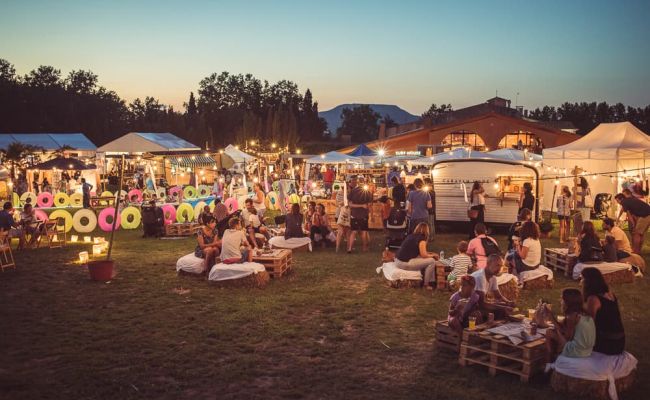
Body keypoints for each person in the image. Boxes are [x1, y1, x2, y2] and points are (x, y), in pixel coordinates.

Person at [544, 288, 596, 364]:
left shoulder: (573, 316)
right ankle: (553, 358)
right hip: (587, 351)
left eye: (562, 299)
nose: (560, 301)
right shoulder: (583, 314)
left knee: (549, 332)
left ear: (567, 302)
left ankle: (550, 361)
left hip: (576, 352)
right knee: (551, 331)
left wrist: (551, 318)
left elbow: (567, 337)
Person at [582, 267, 625, 355]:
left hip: (608, 343)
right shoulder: (610, 294)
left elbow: (589, 323)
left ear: (589, 281)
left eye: (583, 278)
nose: (581, 281)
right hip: (620, 340)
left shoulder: (593, 298)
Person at [393, 222, 439, 289]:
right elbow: (423, 255)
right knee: (432, 261)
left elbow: (421, 252)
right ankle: (426, 285)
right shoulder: (422, 239)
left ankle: (431, 281)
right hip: (404, 263)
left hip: (398, 262)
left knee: (428, 259)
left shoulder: (411, 236)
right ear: (427, 230)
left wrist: (431, 254)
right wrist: (433, 256)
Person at [471, 254, 515, 319]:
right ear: (488, 264)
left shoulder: (493, 277)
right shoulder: (480, 277)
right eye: (497, 265)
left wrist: (508, 302)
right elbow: (481, 304)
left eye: (501, 266)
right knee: (501, 310)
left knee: (503, 305)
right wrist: (504, 307)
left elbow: (498, 296)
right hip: (469, 308)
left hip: (478, 305)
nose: (499, 269)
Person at [347, 176, 372, 253]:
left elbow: (350, 204)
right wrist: (363, 206)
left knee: (354, 231)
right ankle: (364, 248)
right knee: (364, 231)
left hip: (354, 214)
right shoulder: (367, 192)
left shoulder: (353, 191)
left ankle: (350, 248)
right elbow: (370, 204)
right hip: (363, 215)